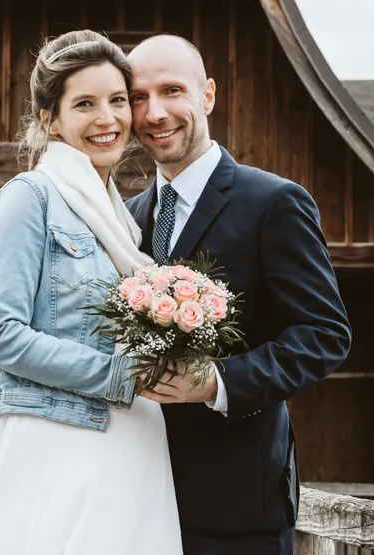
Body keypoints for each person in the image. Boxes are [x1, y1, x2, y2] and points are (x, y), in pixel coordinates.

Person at [0, 30, 183, 555]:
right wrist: (118, 375)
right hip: (56, 437)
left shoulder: (121, 216)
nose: (108, 119)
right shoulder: (31, 198)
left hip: (130, 440)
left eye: (118, 101)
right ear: (50, 119)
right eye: (85, 104)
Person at [123, 35, 352, 555]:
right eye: (138, 97)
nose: (155, 112)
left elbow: (325, 335)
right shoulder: (127, 218)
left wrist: (217, 382)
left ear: (207, 95)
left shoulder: (274, 203)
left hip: (239, 501)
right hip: (135, 491)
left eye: (172, 91)